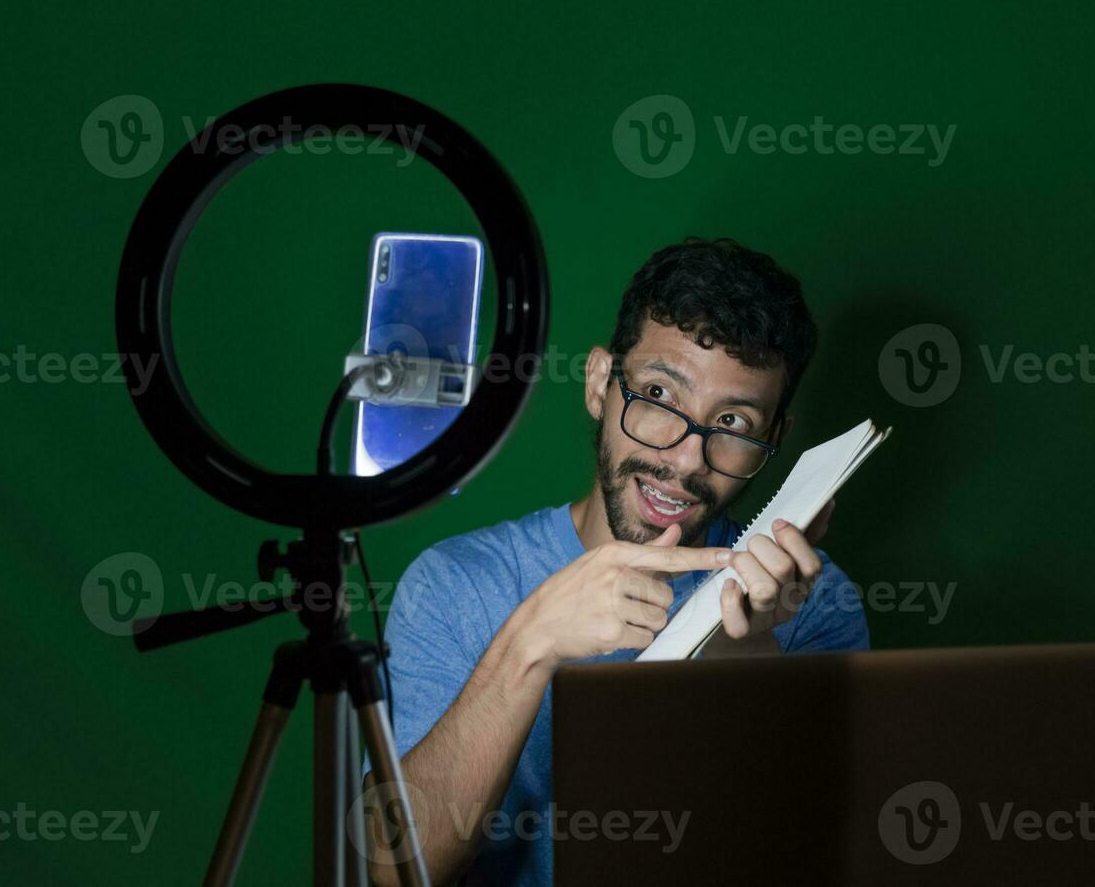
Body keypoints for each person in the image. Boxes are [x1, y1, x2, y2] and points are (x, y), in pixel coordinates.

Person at [366, 237, 869, 886]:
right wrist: (530, 644)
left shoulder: (814, 607)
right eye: (659, 396)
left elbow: (807, 858)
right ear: (601, 383)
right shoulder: (454, 585)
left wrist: (748, 653)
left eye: (735, 424)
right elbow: (393, 868)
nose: (685, 460)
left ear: (773, 440)